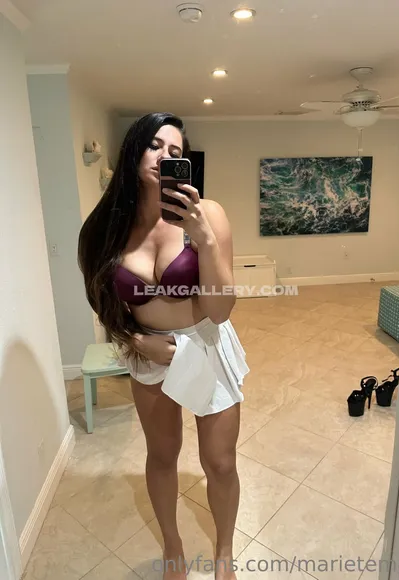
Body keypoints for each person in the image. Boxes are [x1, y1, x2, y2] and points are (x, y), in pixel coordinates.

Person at [77, 112, 249, 580]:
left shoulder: (208, 214)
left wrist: (205, 240)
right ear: (133, 151)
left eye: (176, 152)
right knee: (162, 454)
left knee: (220, 462)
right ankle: (173, 545)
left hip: (206, 344)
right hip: (148, 352)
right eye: (154, 145)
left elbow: (221, 310)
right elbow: (102, 301)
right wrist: (136, 341)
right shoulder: (105, 228)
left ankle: (225, 551)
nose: (164, 157)